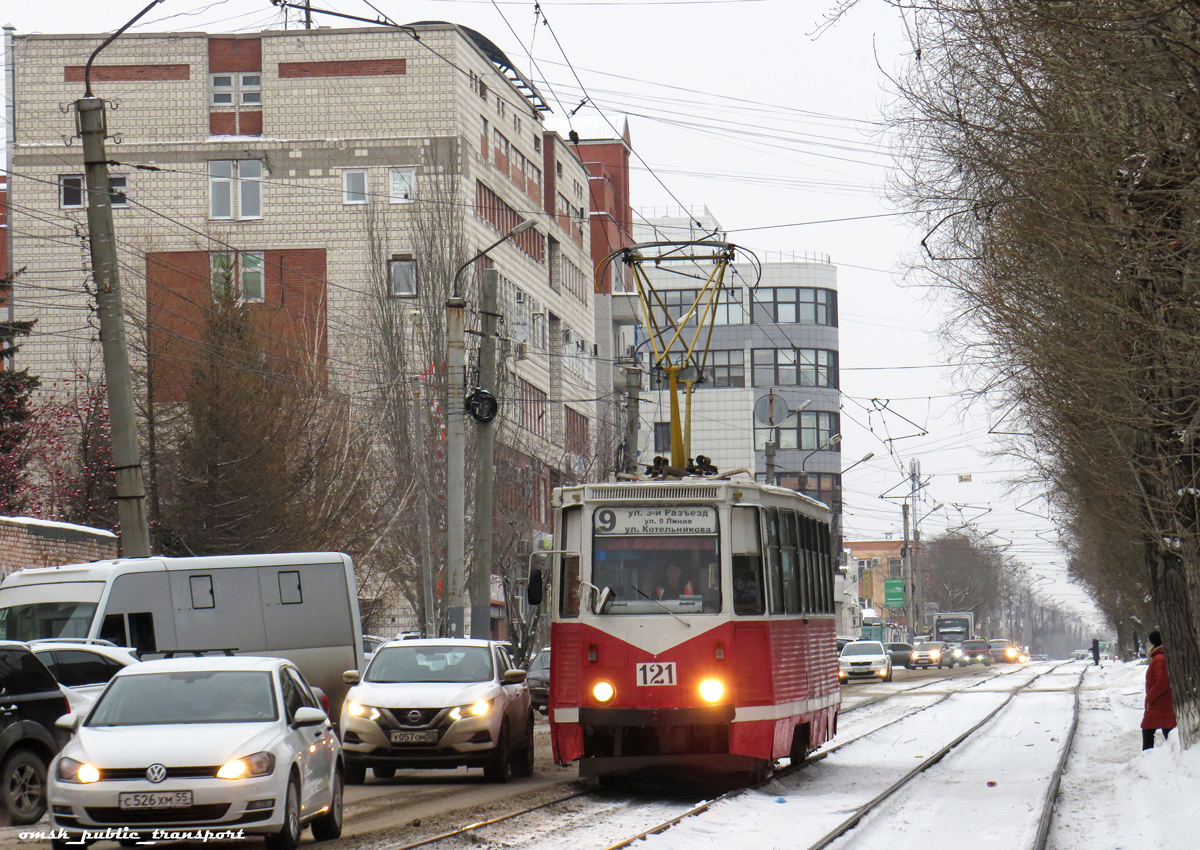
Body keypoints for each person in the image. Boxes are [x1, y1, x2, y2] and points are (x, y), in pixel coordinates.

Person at [1141, 630, 1177, 750]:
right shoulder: (1160, 657)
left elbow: (1161, 683)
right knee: (1168, 729)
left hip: (1159, 702)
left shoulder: (1159, 658)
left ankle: (1147, 758)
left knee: (1147, 730)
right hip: (1162, 703)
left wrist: (1149, 697)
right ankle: (1173, 755)